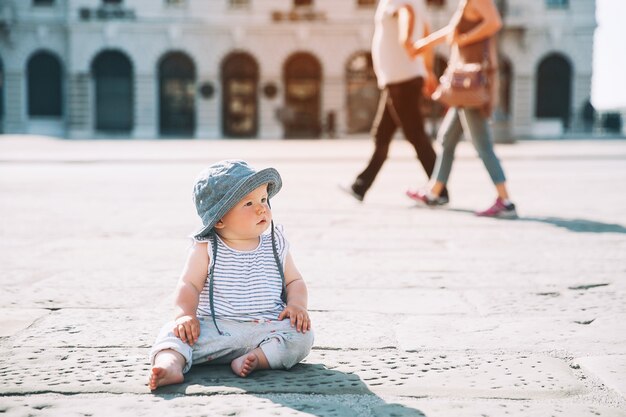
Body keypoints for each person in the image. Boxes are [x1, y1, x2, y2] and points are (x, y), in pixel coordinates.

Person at [148, 160, 313, 390]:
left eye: (264, 200)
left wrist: (297, 305)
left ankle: (257, 358)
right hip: (215, 328)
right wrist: (185, 315)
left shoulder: (276, 244)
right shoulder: (207, 247)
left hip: (266, 326)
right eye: (248, 203)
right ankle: (170, 365)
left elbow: (294, 280)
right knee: (172, 333)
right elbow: (189, 285)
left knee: (302, 336)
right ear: (219, 219)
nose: (261, 208)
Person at [406, 0, 517, 218]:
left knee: (483, 145)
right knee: (447, 139)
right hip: (463, 85)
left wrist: (464, 39)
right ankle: (434, 192)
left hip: (470, 84)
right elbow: (453, 31)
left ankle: (505, 201)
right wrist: (425, 44)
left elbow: (494, 22)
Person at [342, 0, 448, 203]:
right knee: (382, 135)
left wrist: (406, 39)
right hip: (398, 78)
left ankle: (439, 190)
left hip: (401, 79)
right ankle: (360, 186)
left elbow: (405, 12)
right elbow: (425, 29)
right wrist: (427, 70)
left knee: (415, 135)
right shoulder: (419, 3)